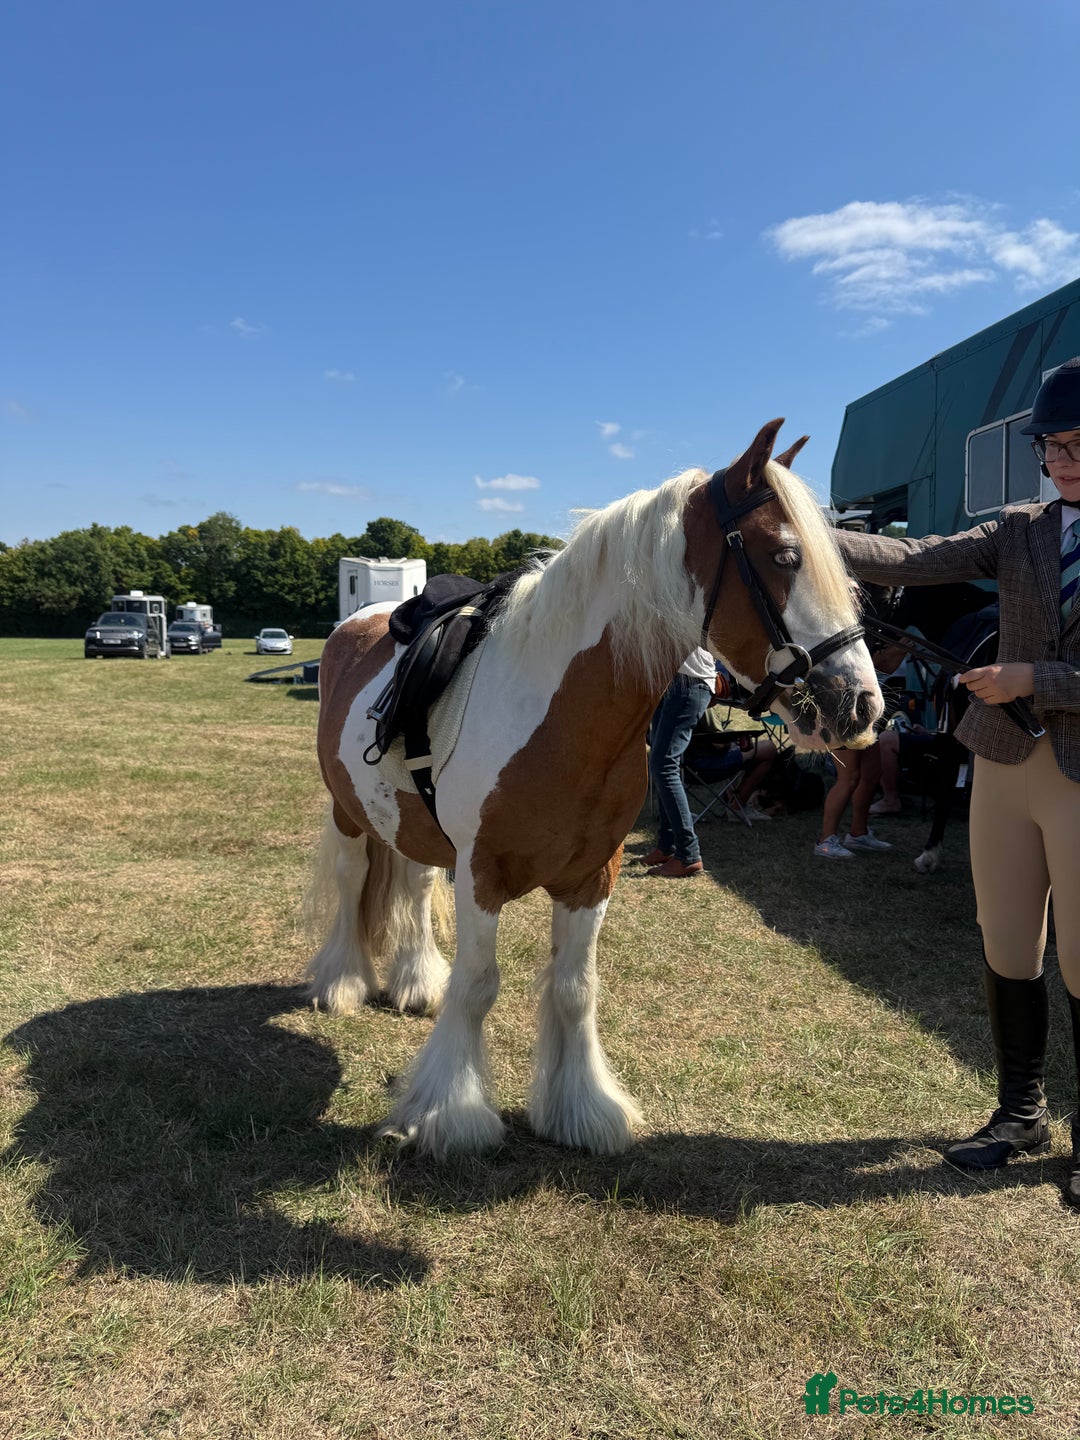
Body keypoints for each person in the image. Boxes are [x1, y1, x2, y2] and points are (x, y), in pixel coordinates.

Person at [833, 356, 1080, 1204]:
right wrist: (797, 530)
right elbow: (914, 557)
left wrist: (1032, 680)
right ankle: (1021, 1112)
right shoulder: (1018, 530)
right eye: (1054, 446)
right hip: (1007, 762)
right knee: (1008, 943)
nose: (1066, 461)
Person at [643, 647, 716, 877]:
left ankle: (688, 855)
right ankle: (667, 845)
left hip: (689, 681)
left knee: (663, 765)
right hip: (672, 681)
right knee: (661, 763)